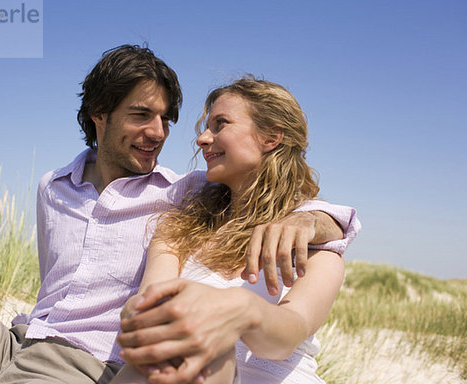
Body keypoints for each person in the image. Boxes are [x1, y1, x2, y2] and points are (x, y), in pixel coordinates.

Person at [0, 45, 359, 383]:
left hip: (99, 368)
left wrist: (317, 219)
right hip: (18, 344)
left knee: (197, 346)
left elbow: (327, 233)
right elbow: (141, 296)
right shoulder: (168, 211)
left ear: (271, 138)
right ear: (99, 113)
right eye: (141, 114)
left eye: (215, 125)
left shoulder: (179, 192)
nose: (164, 134)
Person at [112, 77, 356, 383]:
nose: (202, 138)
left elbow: (286, 338)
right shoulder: (179, 227)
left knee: (211, 341)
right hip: (175, 370)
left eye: (220, 124)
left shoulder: (316, 244)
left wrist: (241, 311)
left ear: (271, 138)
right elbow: (142, 306)